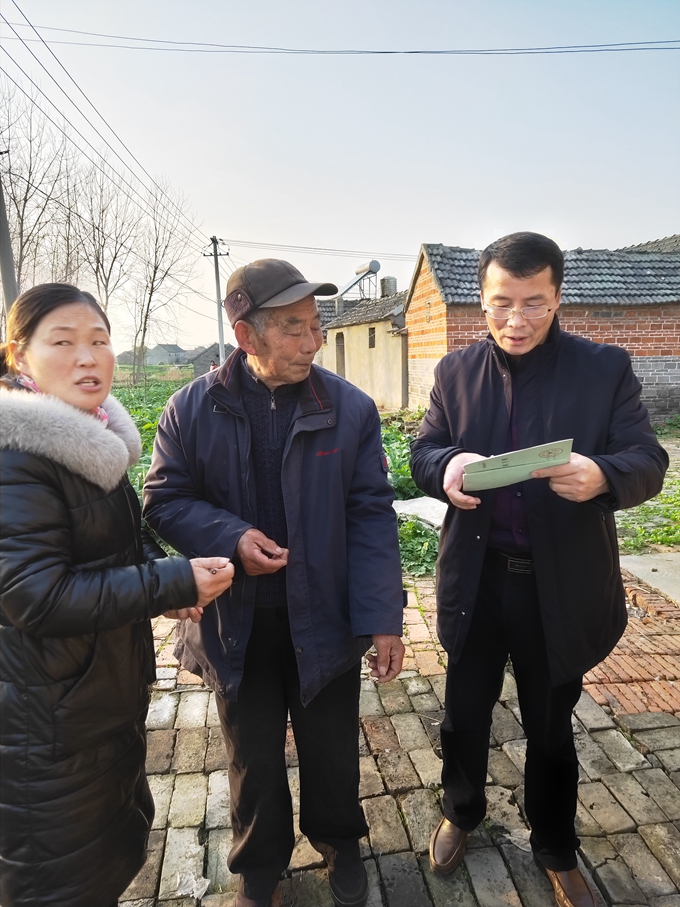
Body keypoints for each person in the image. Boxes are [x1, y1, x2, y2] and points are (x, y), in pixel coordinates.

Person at [410, 233, 668, 907]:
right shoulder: (456, 372)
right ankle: (461, 810)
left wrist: (603, 474)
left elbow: (648, 459)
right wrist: (447, 465)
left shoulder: (603, 369)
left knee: (551, 724)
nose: (516, 320)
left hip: (559, 583)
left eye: (534, 303)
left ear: (558, 299)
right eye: (502, 303)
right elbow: (424, 451)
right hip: (476, 577)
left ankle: (554, 842)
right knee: (463, 714)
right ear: (482, 299)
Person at [143, 259, 405, 907]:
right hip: (237, 620)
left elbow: (371, 515)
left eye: (316, 325)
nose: (313, 341)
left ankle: (340, 841)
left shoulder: (347, 408)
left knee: (332, 747)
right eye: (293, 328)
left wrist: (383, 617)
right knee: (251, 753)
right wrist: (231, 536)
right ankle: (259, 865)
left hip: (326, 615)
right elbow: (165, 500)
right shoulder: (190, 409)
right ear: (245, 335)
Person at [0, 284, 234, 907]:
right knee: (62, 883)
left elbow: (116, 545)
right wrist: (173, 581)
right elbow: (35, 596)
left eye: (99, 341)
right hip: (48, 726)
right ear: (18, 355)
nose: (88, 357)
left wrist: (162, 582)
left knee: (102, 862)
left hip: (92, 704)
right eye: (63, 342)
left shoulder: (85, 438)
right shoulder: (16, 460)